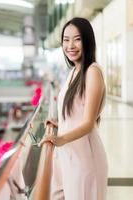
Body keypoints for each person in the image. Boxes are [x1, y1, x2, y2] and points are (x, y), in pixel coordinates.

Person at [39, 17, 108, 200]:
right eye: (66, 40)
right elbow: (76, 110)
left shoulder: (92, 71)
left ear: (87, 41)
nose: (70, 45)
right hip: (69, 154)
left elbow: (88, 123)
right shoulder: (74, 71)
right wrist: (60, 123)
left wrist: (60, 137)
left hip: (85, 158)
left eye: (77, 39)